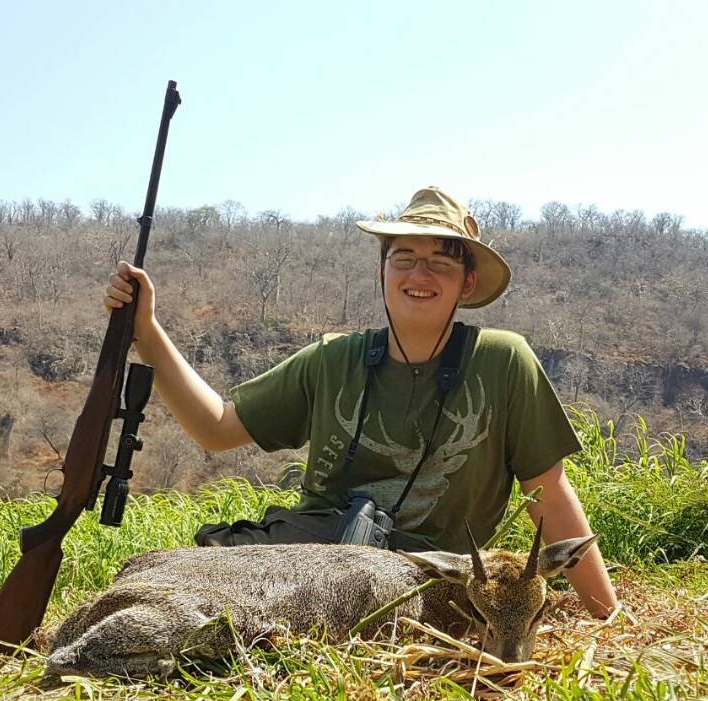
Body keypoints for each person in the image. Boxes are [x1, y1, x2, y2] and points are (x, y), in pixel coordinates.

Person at [103, 187, 618, 618]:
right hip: (316, 565)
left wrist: (606, 616)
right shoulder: (332, 360)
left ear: (468, 283)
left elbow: (547, 494)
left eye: (441, 262)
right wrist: (147, 330)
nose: (420, 275)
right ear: (383, 271)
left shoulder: (504, 361)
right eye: (405, 259)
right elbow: (216, 428)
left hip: (431, 587)